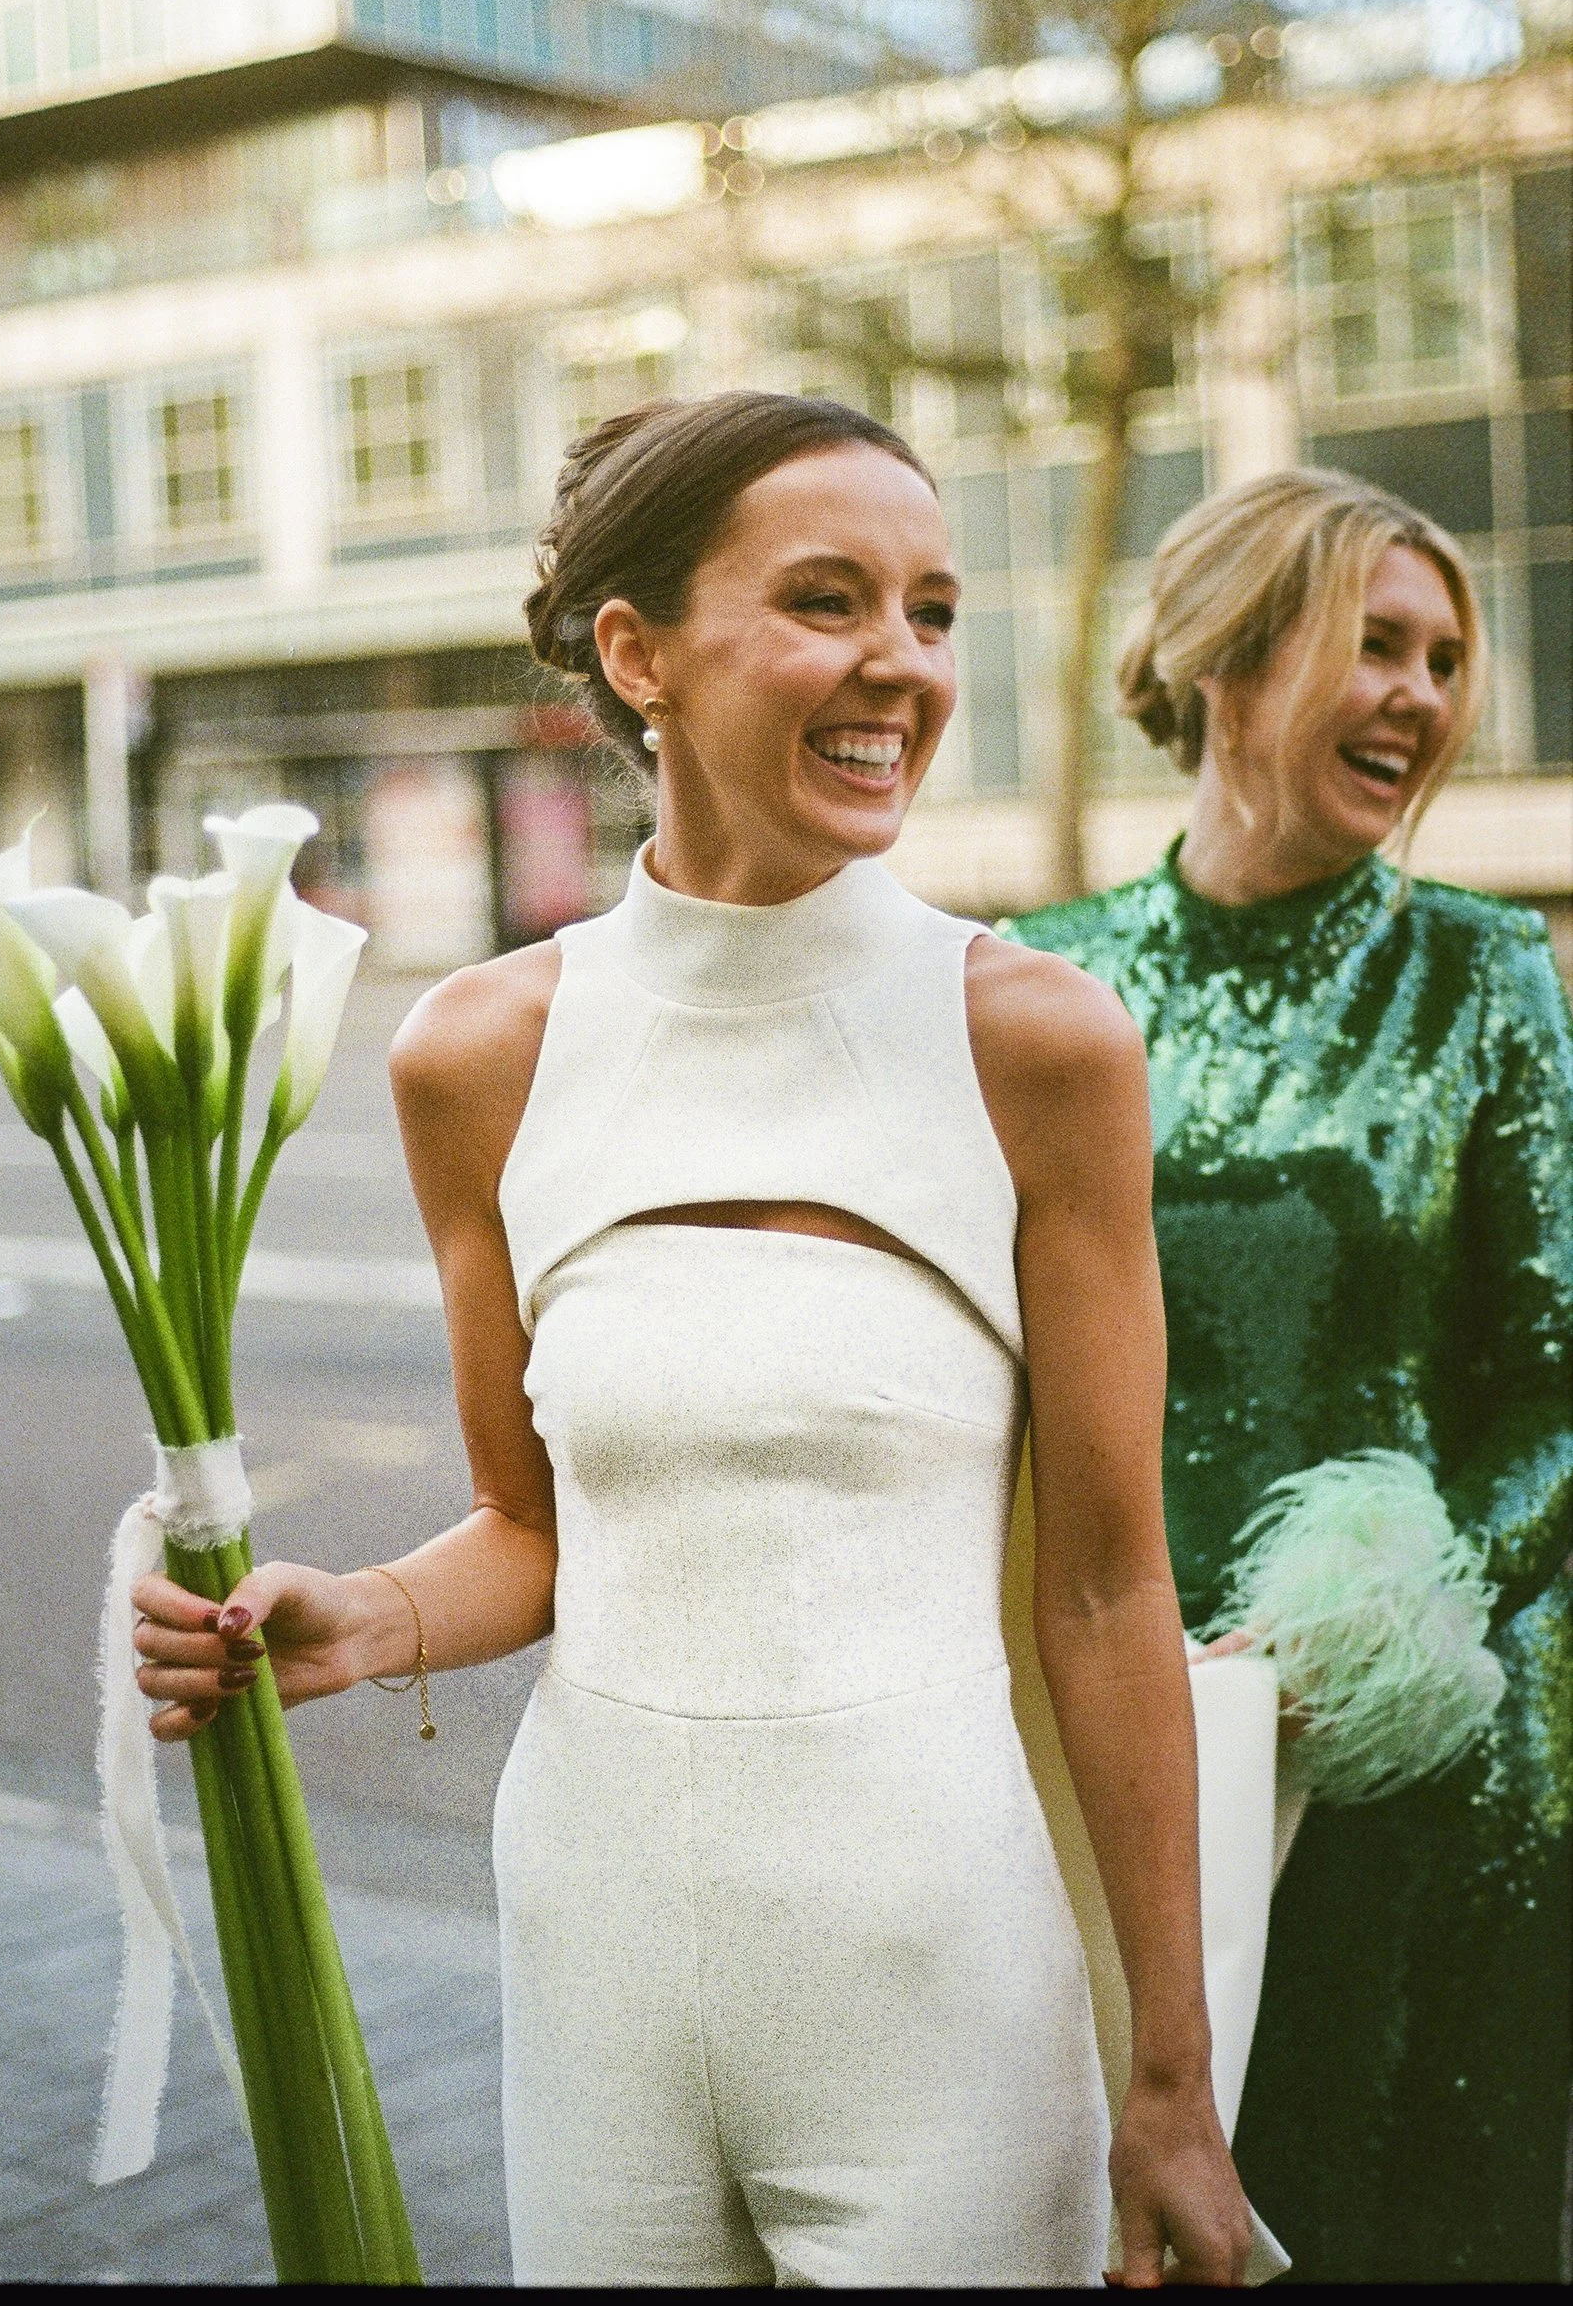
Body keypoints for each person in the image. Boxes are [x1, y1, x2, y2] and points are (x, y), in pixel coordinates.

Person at [132, 391, 1255, 2287]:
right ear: (638, 653)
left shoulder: (1039, 1044)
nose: (897, 665)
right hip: (598, 1964)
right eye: (828, 601)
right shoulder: (476, 1053)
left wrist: (1171, 2081)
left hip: (944, 1986)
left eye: (931, 610)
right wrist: (363, 1618)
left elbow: (1105, 1594)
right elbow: (533, 1522)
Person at [1005, 466, 1573, 2284]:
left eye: (1443, 658)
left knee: (1400, 2218)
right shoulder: (1050, 981)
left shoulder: (1483, 974)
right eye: (1373, 644)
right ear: (1229, 667)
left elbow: (1560, 1380)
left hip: (1428, 1769)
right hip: (1122, 1725)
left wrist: (1375, 1627)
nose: (1419, 694)